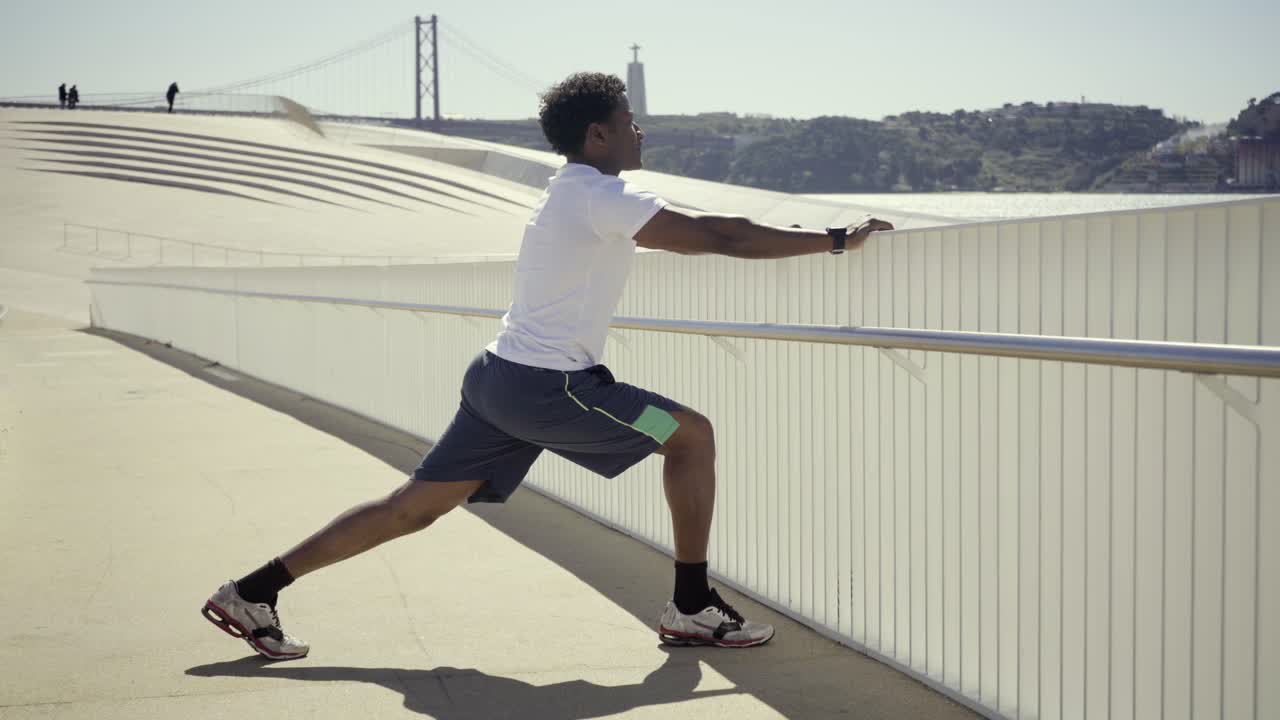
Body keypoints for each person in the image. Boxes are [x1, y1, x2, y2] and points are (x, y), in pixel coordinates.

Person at [201, 72, 894, 660]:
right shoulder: (598, 194)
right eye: (629, 122)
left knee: (410, 508)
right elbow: (717, 235)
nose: (640, 132)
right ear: (598, 135)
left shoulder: (570, 191)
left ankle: (252, 591)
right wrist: (837, 239)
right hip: (552, 388)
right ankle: (691, 606)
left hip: (497, 378)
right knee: (690, 435)